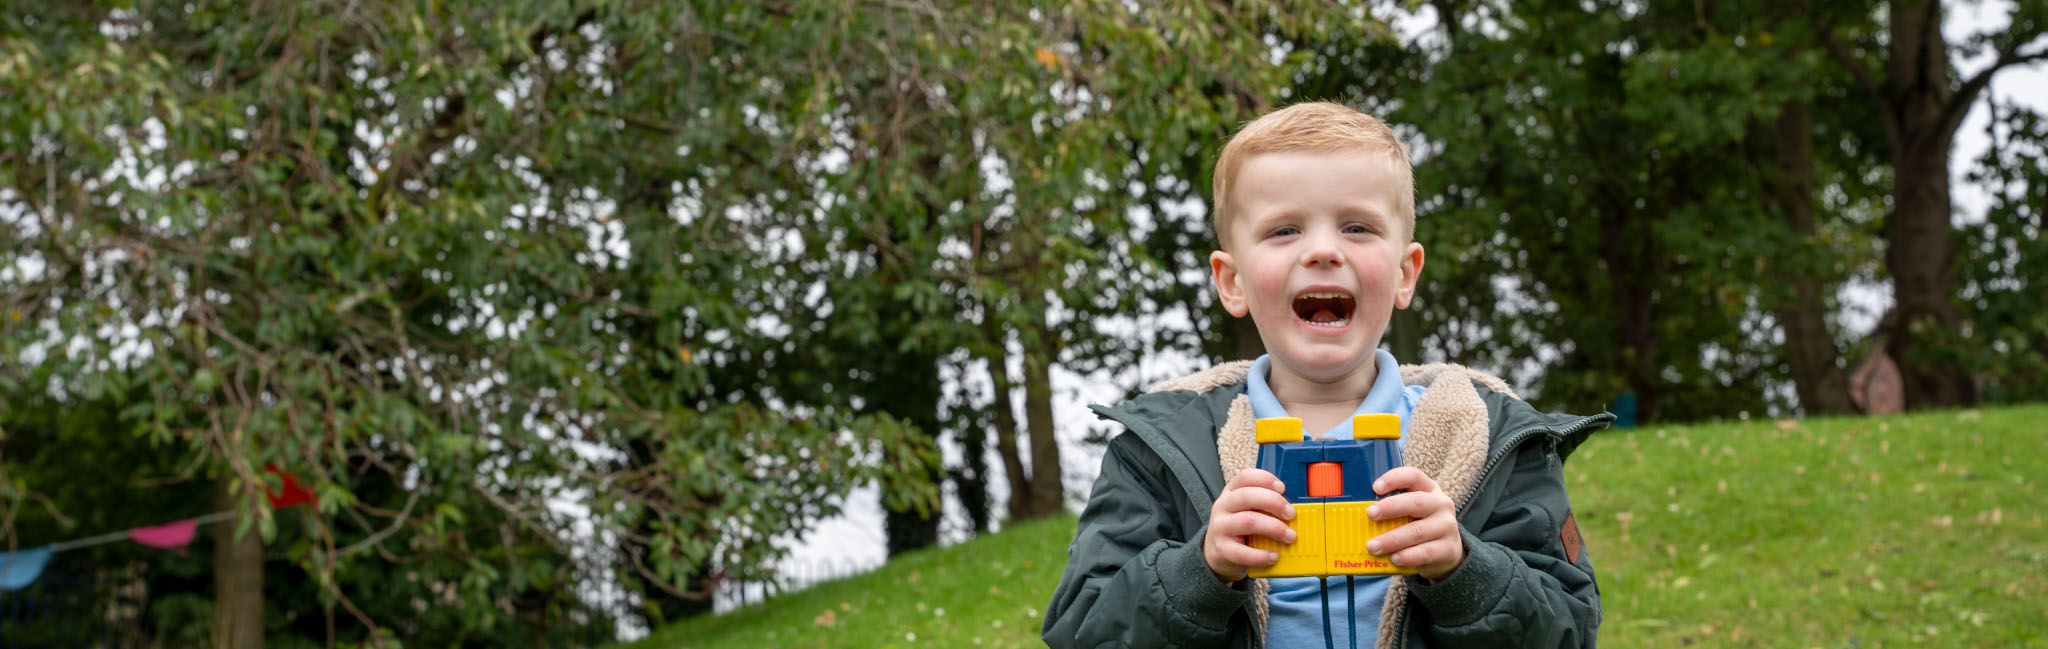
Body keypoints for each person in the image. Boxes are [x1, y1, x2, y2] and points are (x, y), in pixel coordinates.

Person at [1042, 102, 1609, 649]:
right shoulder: (1160, 448)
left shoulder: (1489, 437)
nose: (1322, 250)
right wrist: (1199, 571)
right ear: (1231, 281)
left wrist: (1464, 570)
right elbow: (1083, 628)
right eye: (1284, 230)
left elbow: (1570, 628)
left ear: (1405, 273)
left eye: (1357, 227)